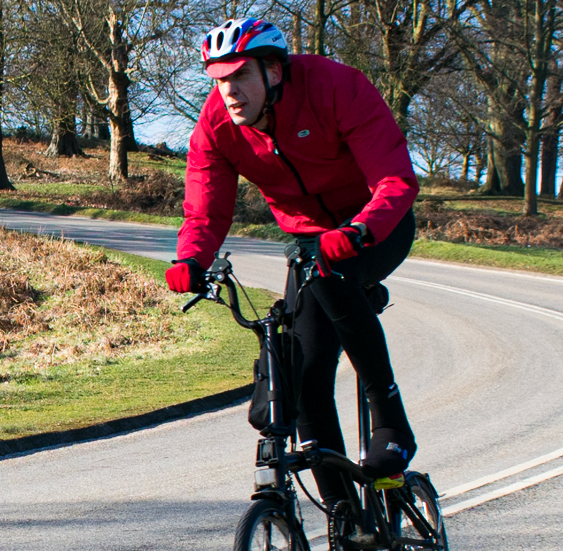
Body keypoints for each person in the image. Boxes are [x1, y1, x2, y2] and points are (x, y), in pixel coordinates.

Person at [166, 18, 420, 505]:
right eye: (219, 80)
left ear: (274, 72)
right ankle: (344, 524)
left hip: (375, 227)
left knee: (332, 271)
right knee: (302, 372)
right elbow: (204, 209)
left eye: (239, 75)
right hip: (309, 244)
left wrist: (359, 229)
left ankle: (391, 423)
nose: (229, 91)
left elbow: (394, 181)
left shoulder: (336, 87)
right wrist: (191, 260)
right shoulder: (216, 127)